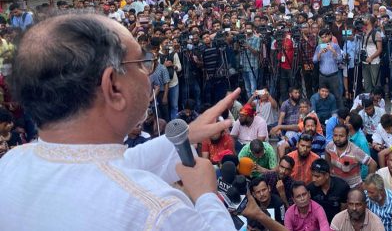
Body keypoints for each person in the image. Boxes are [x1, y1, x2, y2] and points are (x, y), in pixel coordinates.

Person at [0, 14, 236, 229]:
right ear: (112, 86)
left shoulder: (12, 162)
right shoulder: (157, 211)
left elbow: (112, 165)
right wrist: (205, 196)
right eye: (141, 64)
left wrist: (185, 136)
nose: (148, 74)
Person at [325, 124, 377, 188]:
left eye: (341, 136)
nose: (338, 138)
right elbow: (327, 152)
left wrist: (367, 183)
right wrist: (330, 169)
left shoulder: (355, 151)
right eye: (335, 135)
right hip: (336, 184)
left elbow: (373, 164)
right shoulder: (330, 146)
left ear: (347, 136)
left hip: (353, 187)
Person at [308, 158, 351, 222]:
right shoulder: (310, 188)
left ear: (327, 175)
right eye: (312, 175)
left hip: (337, 223)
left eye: (317, 176)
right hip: (317, 223)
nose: (313, 179)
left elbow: (344, 212)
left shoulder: (342, 187)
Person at [313, 28, 343, 107]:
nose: (324, 39)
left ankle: (341, 113)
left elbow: (340, 59)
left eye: (325, 37)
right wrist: (319, 53)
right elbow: (314, 60)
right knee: (322, 96)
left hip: (333, 75)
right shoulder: (319, 47)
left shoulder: (335, 46)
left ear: (330, 36)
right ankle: (325, 112)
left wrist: (333, 51)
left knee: (337, 95)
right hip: (322, 76)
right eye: (322, 37)